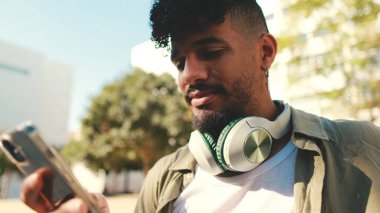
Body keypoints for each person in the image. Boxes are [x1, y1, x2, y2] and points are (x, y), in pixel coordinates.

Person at [21, 0, 380, 212]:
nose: (189, 75)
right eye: (180, 62)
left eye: (211, 52)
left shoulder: (361, 149)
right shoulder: (164, 176)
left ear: (265, 53)